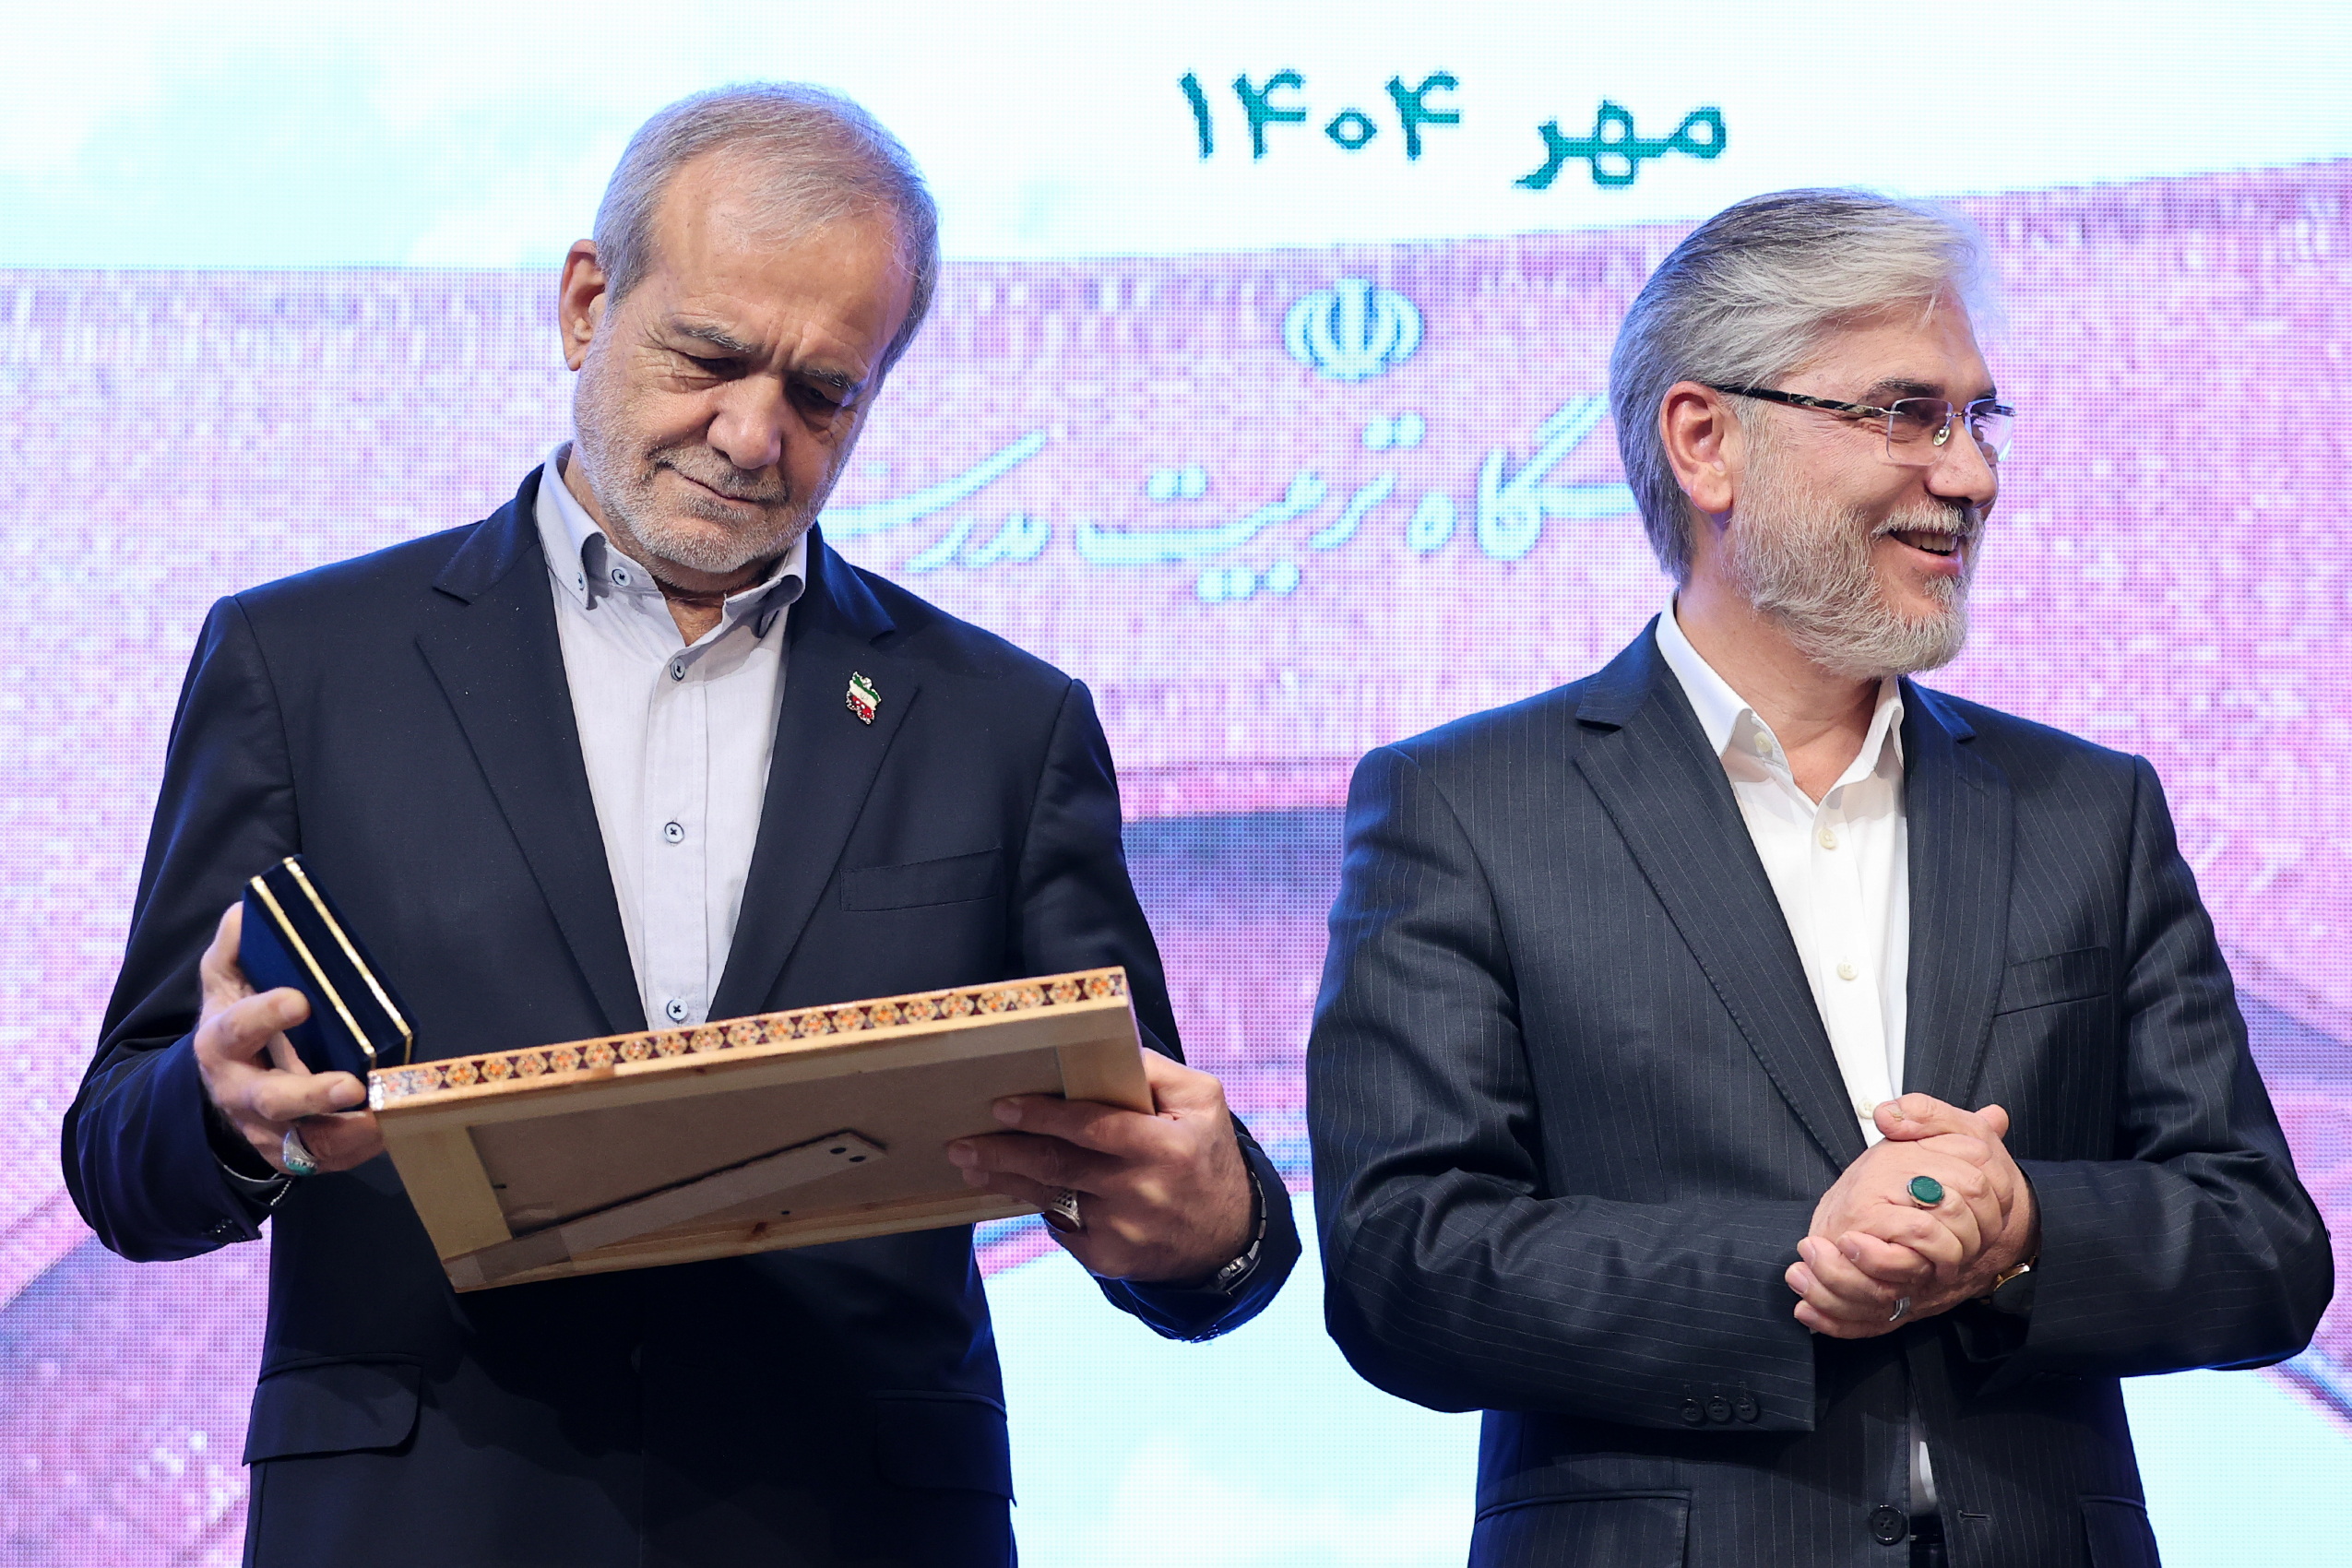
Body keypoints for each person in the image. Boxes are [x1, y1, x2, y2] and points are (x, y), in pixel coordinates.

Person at [64, 83, 1296, 1568]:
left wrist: (1216, 1226)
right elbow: (118, 1153)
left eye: (823, 394)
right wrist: (218, 1110)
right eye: (708, 357)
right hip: (425, 1521)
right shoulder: (303, 663)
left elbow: (1158, 1149)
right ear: (587, 303)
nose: (754, 435)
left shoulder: (1000, 722)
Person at [1307, 189, 2330, 1567]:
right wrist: (1800, 1259)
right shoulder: (1467, 807)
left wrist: (2024, 1230)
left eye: (1977, 421)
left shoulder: (2086, 810)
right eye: (1906, 415)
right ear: (1705, 441)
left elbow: (2261, 1245)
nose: (1968, 476)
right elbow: (1404, 1267)